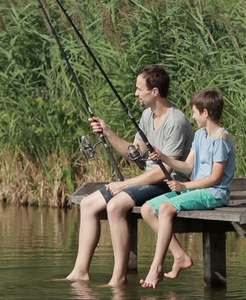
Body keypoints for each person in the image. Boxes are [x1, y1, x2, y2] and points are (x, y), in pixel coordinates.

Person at [63, 65, 194, 286]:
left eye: (138, 88)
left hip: (171, 183)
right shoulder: (146, 115)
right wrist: (107, 132)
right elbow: (134, 153)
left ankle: (118, 278)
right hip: (149, 179)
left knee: (115, 206)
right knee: (87, 204)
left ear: (154, 91)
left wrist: (125, 185)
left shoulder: (176, 121)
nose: (135, 93)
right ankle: (80, 271)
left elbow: (166, 171)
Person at [139, 88, 236, 289]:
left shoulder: (221, 139)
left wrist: (184, 185)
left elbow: (215, 178)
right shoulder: (200, 135)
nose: (192, 116)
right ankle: (180, 256)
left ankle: (155, 267)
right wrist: (163, 157)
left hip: (214, 193)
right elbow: (188, 166)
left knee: (166, 208)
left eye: (194, 112)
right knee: (147, 209)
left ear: (206, 112)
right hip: (195, 190)